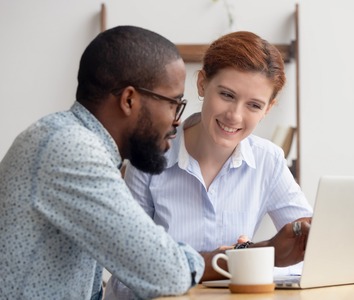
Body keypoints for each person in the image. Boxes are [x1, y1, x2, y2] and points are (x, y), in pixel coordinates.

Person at [0, 26, 204, 299]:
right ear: (129, 100)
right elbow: (166, 272)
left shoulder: (68, 140)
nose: (177, 120)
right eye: (174, 103)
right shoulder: (70, 147)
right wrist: (212, 260)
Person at [106, 30, 313, 298]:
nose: (234, 116)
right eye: (227, 95)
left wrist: (303, 240)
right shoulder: (149, 156)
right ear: (203, 84)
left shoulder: (268, 159)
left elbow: (309, 241)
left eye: (253, 105)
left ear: (268, 109)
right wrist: (244, 258)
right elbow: (128, 266)